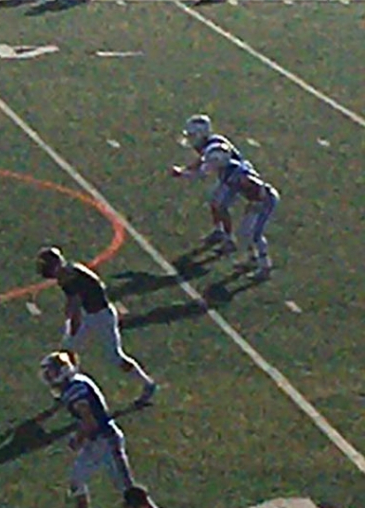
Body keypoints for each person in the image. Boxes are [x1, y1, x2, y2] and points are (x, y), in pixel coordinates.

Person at [38, 350, 173, 508]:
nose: (48, 377)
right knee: (77, 480)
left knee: (126, 488)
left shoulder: (75, 390)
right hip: (95, 442)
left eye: (51, 372)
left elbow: (89, 421)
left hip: (106, 441)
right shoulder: (76, 384)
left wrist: (77, 439)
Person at [36, 246, 156, 406]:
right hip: (89, 313)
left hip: (101, 317)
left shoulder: (69, 276)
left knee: (115, 357)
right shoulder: (70, 271)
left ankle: (147, 383)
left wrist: (72, 323)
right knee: (67, 349)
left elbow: (75, 305)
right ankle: (71, 386)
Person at [170, 113, 252, 253]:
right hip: (228, 176)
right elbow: (201, 161)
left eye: (193, 135)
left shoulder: (214, 148)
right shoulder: (209, 144)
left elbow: (202, 172)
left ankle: (229, 239)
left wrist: (183, 173)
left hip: (237, 177)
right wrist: (186, 168)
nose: (190, 139)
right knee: (214, 200)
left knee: (220, 205)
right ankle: (219, 231)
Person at [227, 164, 279, 280]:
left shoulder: (251, 181)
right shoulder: (238, 180)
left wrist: (255, 205)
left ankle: (265, 267)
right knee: (244, 231)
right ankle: (253, 259)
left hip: (267, 201)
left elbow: (262, 193)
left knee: (256, 234)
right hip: (257, 202)